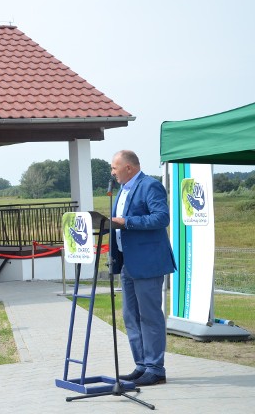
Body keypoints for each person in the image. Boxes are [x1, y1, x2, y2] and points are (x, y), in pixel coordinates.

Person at [109, 150, 176, 386]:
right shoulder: (123, 189)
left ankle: (156, 369)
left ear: (129, 167)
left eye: (114, 167)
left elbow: (161, 218)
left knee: (150, 316)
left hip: (147, 262)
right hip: (127, 262)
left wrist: (126, 222)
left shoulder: (150, 186)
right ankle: (141, 365)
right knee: (130, 316)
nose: (112, 172)